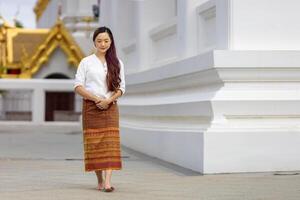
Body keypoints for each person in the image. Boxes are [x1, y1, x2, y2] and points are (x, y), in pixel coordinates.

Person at [74, 26, 125, 193]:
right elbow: (78, 86)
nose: (103, 44)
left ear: (111, 42)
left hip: (110, 107)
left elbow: (121, 88)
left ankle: (108, 183)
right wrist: (96, 99)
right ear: (94, 42)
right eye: (99, 41)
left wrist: (108, 100)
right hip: (91, 107)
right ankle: (100, 180)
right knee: (94, 144)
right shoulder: (86, 62)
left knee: (110, 143)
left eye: (106, 41)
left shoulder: (117, 63)